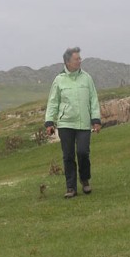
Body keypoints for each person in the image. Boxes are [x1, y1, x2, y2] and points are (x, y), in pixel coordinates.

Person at [44, 47, 102, 198]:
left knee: (83, 152)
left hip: (83, 124)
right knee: (68, 156)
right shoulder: (59, 80)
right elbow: (53, 102)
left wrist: (96, 120)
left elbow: (93, 100)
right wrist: (49, 122)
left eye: (80, 58)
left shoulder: (87, 78)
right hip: (65, 124)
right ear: (68, 62)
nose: (80, 61)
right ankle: (70, 187)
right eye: (77, 59)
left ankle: (85, 179)